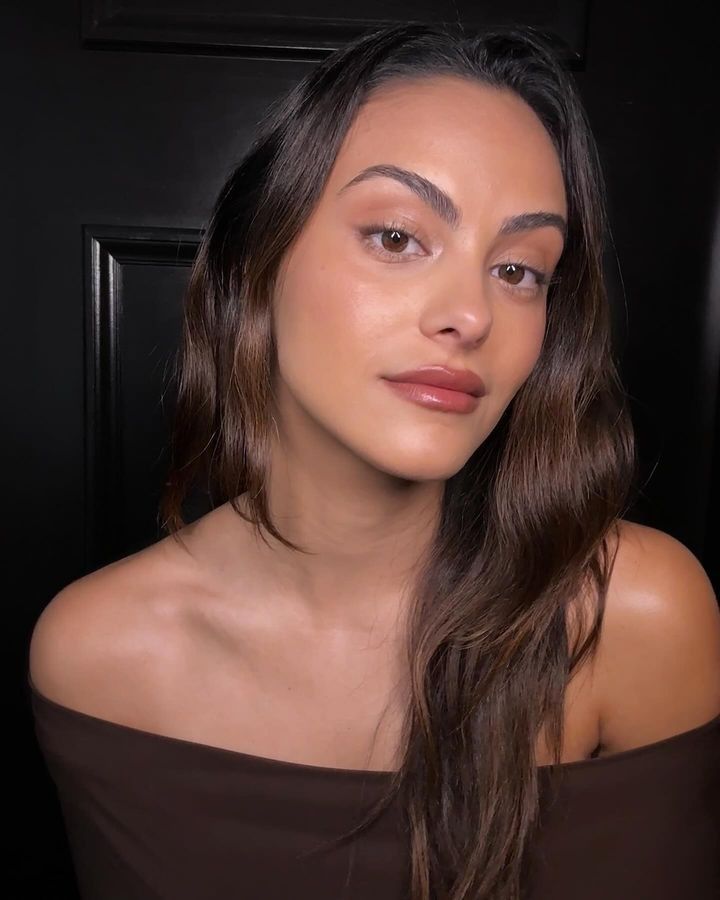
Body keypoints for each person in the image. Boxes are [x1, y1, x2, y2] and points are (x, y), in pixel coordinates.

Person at [28, 21, 720, 900]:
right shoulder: (98, 655)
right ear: (257, 260)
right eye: (397, 238)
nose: (470, 314)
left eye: (519, 270)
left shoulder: (634, 618)